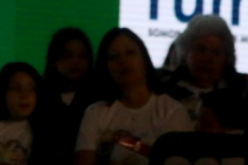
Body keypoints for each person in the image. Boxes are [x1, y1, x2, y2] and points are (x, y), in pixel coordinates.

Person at [74, 28, 192, 165]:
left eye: (130, 53)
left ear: (144, 58)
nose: (122, 61)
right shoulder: (95, 113)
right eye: (113, 57)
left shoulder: (172, 111)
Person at [162, 14, 246, 123]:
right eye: (200, 49)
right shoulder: (163, 91)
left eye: (216, 52)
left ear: (227, 58)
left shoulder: (241, 95)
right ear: (186, 52)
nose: (207, 59)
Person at [43, 27, 95, 163]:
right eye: (68, 56)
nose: (76, 61)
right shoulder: (40, 97)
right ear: (54, 61)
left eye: (82, 56)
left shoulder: (97, 99)